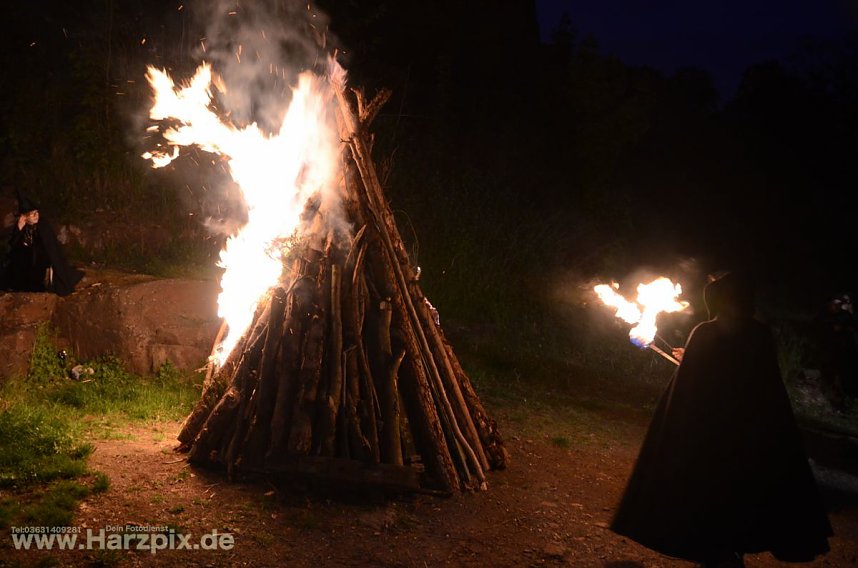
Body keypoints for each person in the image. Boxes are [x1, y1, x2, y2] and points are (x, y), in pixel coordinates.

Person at [611, 271, 832, 567]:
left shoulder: (706, 332)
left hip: (711, 435)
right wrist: (692, 359)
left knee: (712, 492)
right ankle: (731, 548)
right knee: (740, 494)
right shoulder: (759, 334)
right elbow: (750, 380)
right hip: (751, 436)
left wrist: (691, 362)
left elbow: (698, 386)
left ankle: (717, 548)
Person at [1, 191, 83, 296]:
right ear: (25, 216)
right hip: (25, 263)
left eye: (37, 213)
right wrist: (19, 229)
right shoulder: (21, 226)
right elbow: (12, 246)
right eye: (33, 214)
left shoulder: (42, 225)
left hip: (40, 261)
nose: (36, 216)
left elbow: (50, 247)